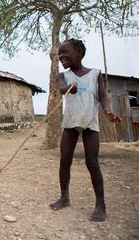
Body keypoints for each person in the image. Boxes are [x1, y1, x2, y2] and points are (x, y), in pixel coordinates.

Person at [50, 38, 121, 222]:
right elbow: (62, 89)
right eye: (59, 54)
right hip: (71, 122)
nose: (61, 56)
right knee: (65, 160)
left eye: (65, 52)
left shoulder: (95, 74)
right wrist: (69, 90)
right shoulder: (62, 76)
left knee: (92, 163)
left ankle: (100, 205)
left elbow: (102, 95)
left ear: (79, 53)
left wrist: (107, 110)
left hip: (90, 122)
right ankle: (64, 197)